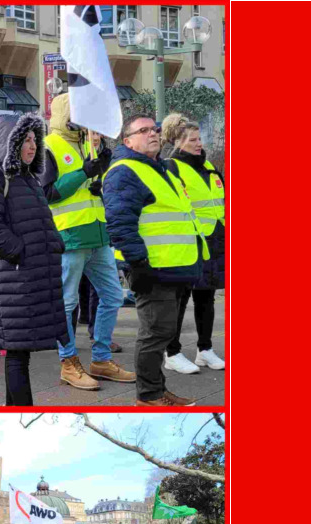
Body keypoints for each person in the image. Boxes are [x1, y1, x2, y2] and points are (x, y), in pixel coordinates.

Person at [103, 113, 206, 406]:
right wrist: (139, 264)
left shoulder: (159, 168)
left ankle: (158, 390)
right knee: (154, 333)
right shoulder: (125, 171)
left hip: (175, 267)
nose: (153, 134)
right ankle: (148, 396)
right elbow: (121, 224)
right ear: (127, 140)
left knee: (164, 332)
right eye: (144, 130)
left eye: (155, 129)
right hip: (153, 268)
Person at [39, 94, 134, 391]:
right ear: (66, 114)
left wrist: (99, 181)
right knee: (67, 304)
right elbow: (46, 193)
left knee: (113, 296)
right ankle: (68, 363)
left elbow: (88, 189)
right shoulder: (48, 147)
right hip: (69, 236)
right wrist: (85, 172)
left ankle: (101, 359)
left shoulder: (87, 143)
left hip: (97, 235)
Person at [0, 112, 70, 406]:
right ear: (7, 142)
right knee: (17, 354)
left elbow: (39, 221)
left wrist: (54, 243)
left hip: (29, 277)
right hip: (13, 279)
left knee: (21, 353)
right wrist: (22, 253)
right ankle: (21, 409)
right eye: (24, 140)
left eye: (34, 140)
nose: (31, 146)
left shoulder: (27, 178)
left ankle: (13, 406)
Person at [161, 113, 226, 374]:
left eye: (199, 138)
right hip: (188, 239)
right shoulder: (171, 167)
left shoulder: (208, 166)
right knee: (179, 298)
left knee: (206, 296)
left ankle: (205, 349)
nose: (199, 143)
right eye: (192, 140)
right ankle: (172, 352)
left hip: (214, 239)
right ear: (177, 142)